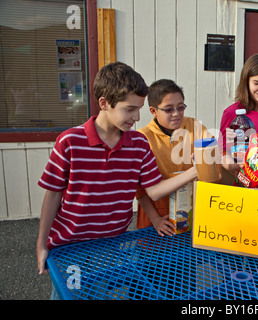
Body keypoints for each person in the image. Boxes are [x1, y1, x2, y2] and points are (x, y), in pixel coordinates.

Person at [36, 63, 197, 276]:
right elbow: (53, 194)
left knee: (102, 291)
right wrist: (41, 245)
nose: (137, 118)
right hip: (69, 244)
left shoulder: (139, 144)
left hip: (113, 243)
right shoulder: (69, 141)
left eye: (138, 109)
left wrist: (196, 170)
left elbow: (154, 190)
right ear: (104, 103)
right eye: (129, 109)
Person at [135, 79, 212, 235]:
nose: (176, 114)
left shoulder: (194, 127)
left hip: (191, 214)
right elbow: (140, 190)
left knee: (189, 257)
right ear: (153, 111)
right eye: (169, 109)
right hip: (157, 220)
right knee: (154, 258)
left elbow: (213, 151)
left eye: (181, 107)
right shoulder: (143, 138)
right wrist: (155, 219)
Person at [219, 53, 258, 174]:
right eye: (256, 83)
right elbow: (222, 152)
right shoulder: (231, 113)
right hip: (242, 180)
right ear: (246, 81)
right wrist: (231, 165)